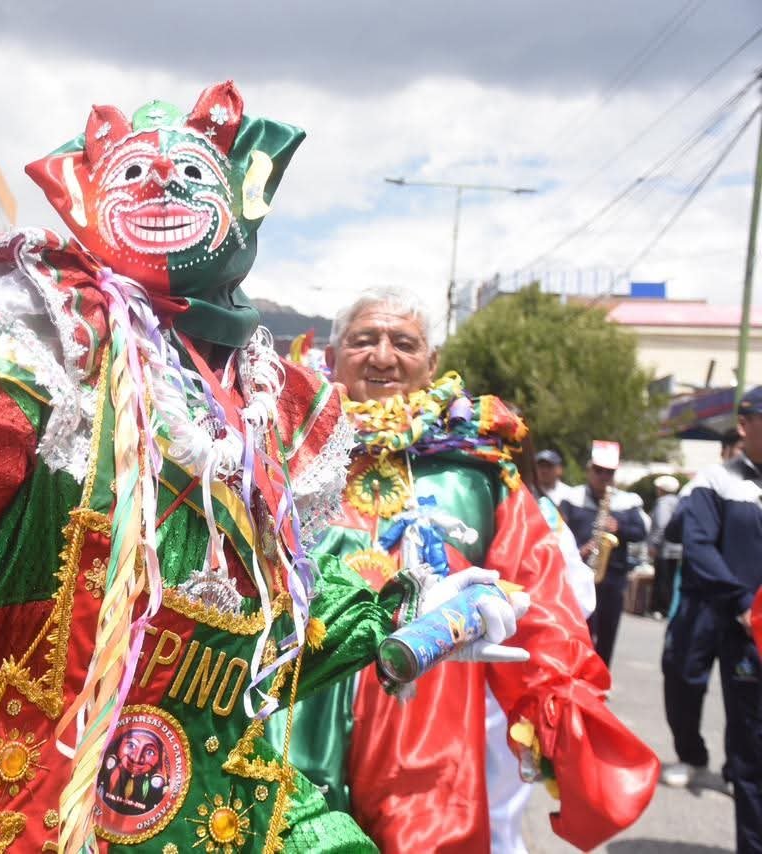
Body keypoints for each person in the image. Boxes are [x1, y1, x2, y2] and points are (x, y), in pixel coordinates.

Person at [0, 82, 526, 852]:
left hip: (221, 804)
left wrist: (415, 604)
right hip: (26, 806)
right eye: (135, 177)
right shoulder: (47, 337)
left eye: (189, 179)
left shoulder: (272, 402)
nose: (160, 192)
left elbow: (291, 607)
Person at [275, 287, 657, 853]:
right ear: (330, 360)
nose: (383, 356)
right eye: (364, 341)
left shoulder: (479, 474)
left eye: (403, 343)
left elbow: (540, 594)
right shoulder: (281, 453)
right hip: (296, 705)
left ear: (431, 365)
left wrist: (558, 708)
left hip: (428, 713)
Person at [661, 387, 762, 851]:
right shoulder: (715, 481)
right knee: (687, 680)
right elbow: (696, 546)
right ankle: (692, 753)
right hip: (730, 619)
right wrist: (742, 603)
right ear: (744, 425)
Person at [560, 441, 649, 668]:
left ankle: (601, 676)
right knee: (579, 628)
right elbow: (558, 533)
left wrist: (619, 528)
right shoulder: (572, 498)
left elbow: (640, 532)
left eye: (609, 472)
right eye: (598, 471)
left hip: (612, 578)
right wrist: (580, 550)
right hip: (578, 575)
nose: (603, 476)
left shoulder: (627, 501)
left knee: (608, 631)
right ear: (589, 470)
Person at [649, 474, 682, 618]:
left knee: (662, 578)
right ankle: (667, 608)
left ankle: (660, 609)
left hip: (664, 549)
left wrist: (654, 544)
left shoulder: (663, 503)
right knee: (670, 579)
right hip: (677, 549)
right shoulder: (678, 501)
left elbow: (662, 525)